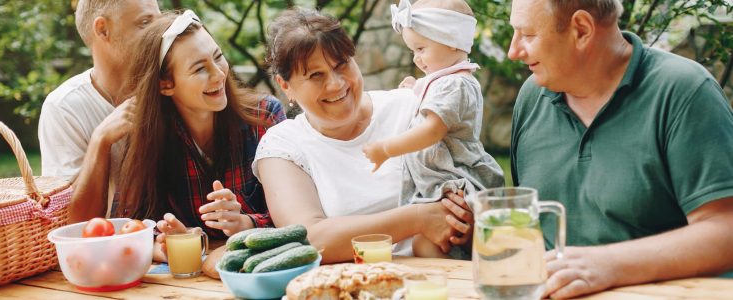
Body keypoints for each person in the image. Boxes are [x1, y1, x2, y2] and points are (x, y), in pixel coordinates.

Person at [507, 0, 733, 298]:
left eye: (528, 34)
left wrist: (609, 265)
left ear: (581, 29)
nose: (513, 51)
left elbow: (724, 231)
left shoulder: (684, 91)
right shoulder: (532, 96)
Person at [253, 8, 474, 264]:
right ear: (285, 86)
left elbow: (471, 181)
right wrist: (418, 219)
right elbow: (309, 240)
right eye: (316, 75)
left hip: (439, 280)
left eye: (341, 65)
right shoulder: (283, 145)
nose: (336, 84)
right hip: (346, 286)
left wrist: (465, 218)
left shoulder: (414, 108)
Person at [116, 10, 284, 267]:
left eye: (218, 57)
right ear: (165, 84)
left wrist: (245, 223)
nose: (218, 74)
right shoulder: (148, 137)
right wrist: (165, 245)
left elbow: (297, 217)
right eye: (199, 69)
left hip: (264, 270)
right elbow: (128, 226)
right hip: (188, 284)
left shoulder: (265, 117)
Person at [363, 0, 504, 259]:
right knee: (431, 243)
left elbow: (432, 130)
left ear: (451, 41)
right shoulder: (444, 81)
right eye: (412, 50)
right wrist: (414, 90)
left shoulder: (455, 84)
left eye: (421, 48)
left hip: (452, 181)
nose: (416, 57)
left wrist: (386, 148)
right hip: (437, 181)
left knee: (427, 244)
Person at [38, 0, 161, 223]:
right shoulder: (64, 107)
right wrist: (100, 141)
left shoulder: (170, 87)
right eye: (144, 23)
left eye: (159, 21)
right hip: (105, 251)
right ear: (103, 29)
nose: (160, 33)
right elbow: (72, 224)